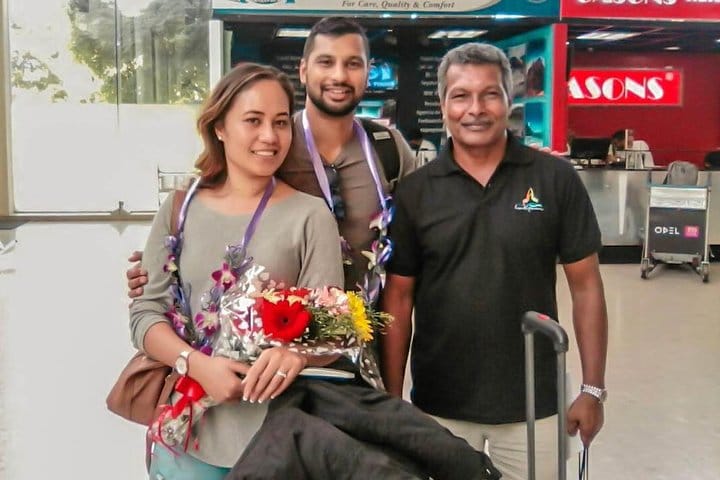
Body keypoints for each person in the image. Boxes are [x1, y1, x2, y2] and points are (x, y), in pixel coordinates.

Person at [380, 43, 608, 480]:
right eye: (461, 96)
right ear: (443, 105)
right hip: (439, 406)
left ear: (509, 99)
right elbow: (399, 299)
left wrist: (592, 389)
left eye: (490, 94)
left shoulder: (555, 179)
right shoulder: (415, 193)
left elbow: (586, 287)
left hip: (535, 404)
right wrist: (391, 400)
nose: (475, 109)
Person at [130, 62, 345, 479]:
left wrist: (295, 353)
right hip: (186, 436)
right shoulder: (180, 208)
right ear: (220, 128)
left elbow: (330, 325)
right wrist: (196, 364)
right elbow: (145, 313)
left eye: (280, 122)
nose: (270, 136)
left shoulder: (310, 215)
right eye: (253, 120)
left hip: (279, 441)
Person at [127, 16, 417, 295]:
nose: (339, 76)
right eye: (326, 62)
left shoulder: (388, 149)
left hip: (369, 321)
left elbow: (419, 239)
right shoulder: (271, 144)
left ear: (368, 72)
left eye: (353, 64)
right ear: (303, 70)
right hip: (279, 322)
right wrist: (168, 259)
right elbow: (216, 202)